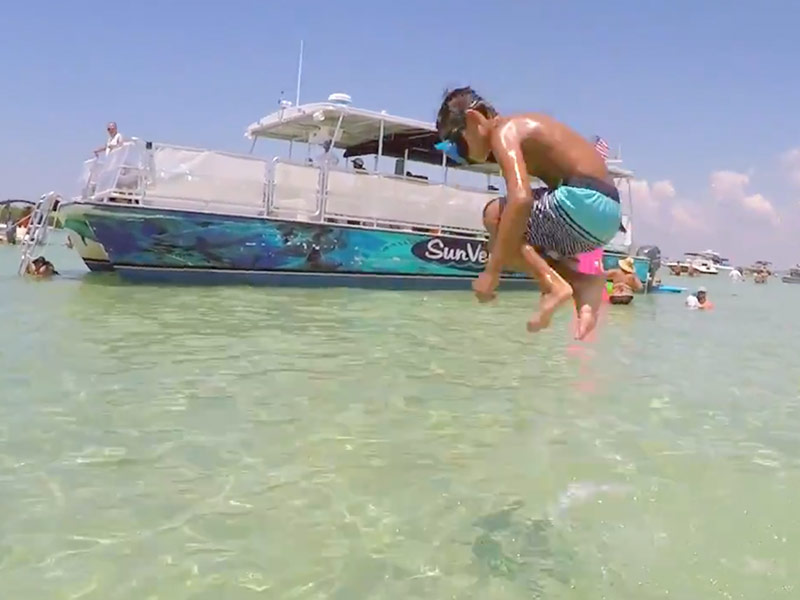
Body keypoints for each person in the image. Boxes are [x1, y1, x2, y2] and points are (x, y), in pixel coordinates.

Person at [435, 87, 622, 339]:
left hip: (583, 200)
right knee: (508, 242)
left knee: (495, 217)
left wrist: (492, 271)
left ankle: (555, 285)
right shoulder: (523, 127)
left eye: (457, 145)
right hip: (607, 217)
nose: (459, 156)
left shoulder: (504, 131)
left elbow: (520, 199)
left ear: (474, 119)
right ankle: (580, 282)